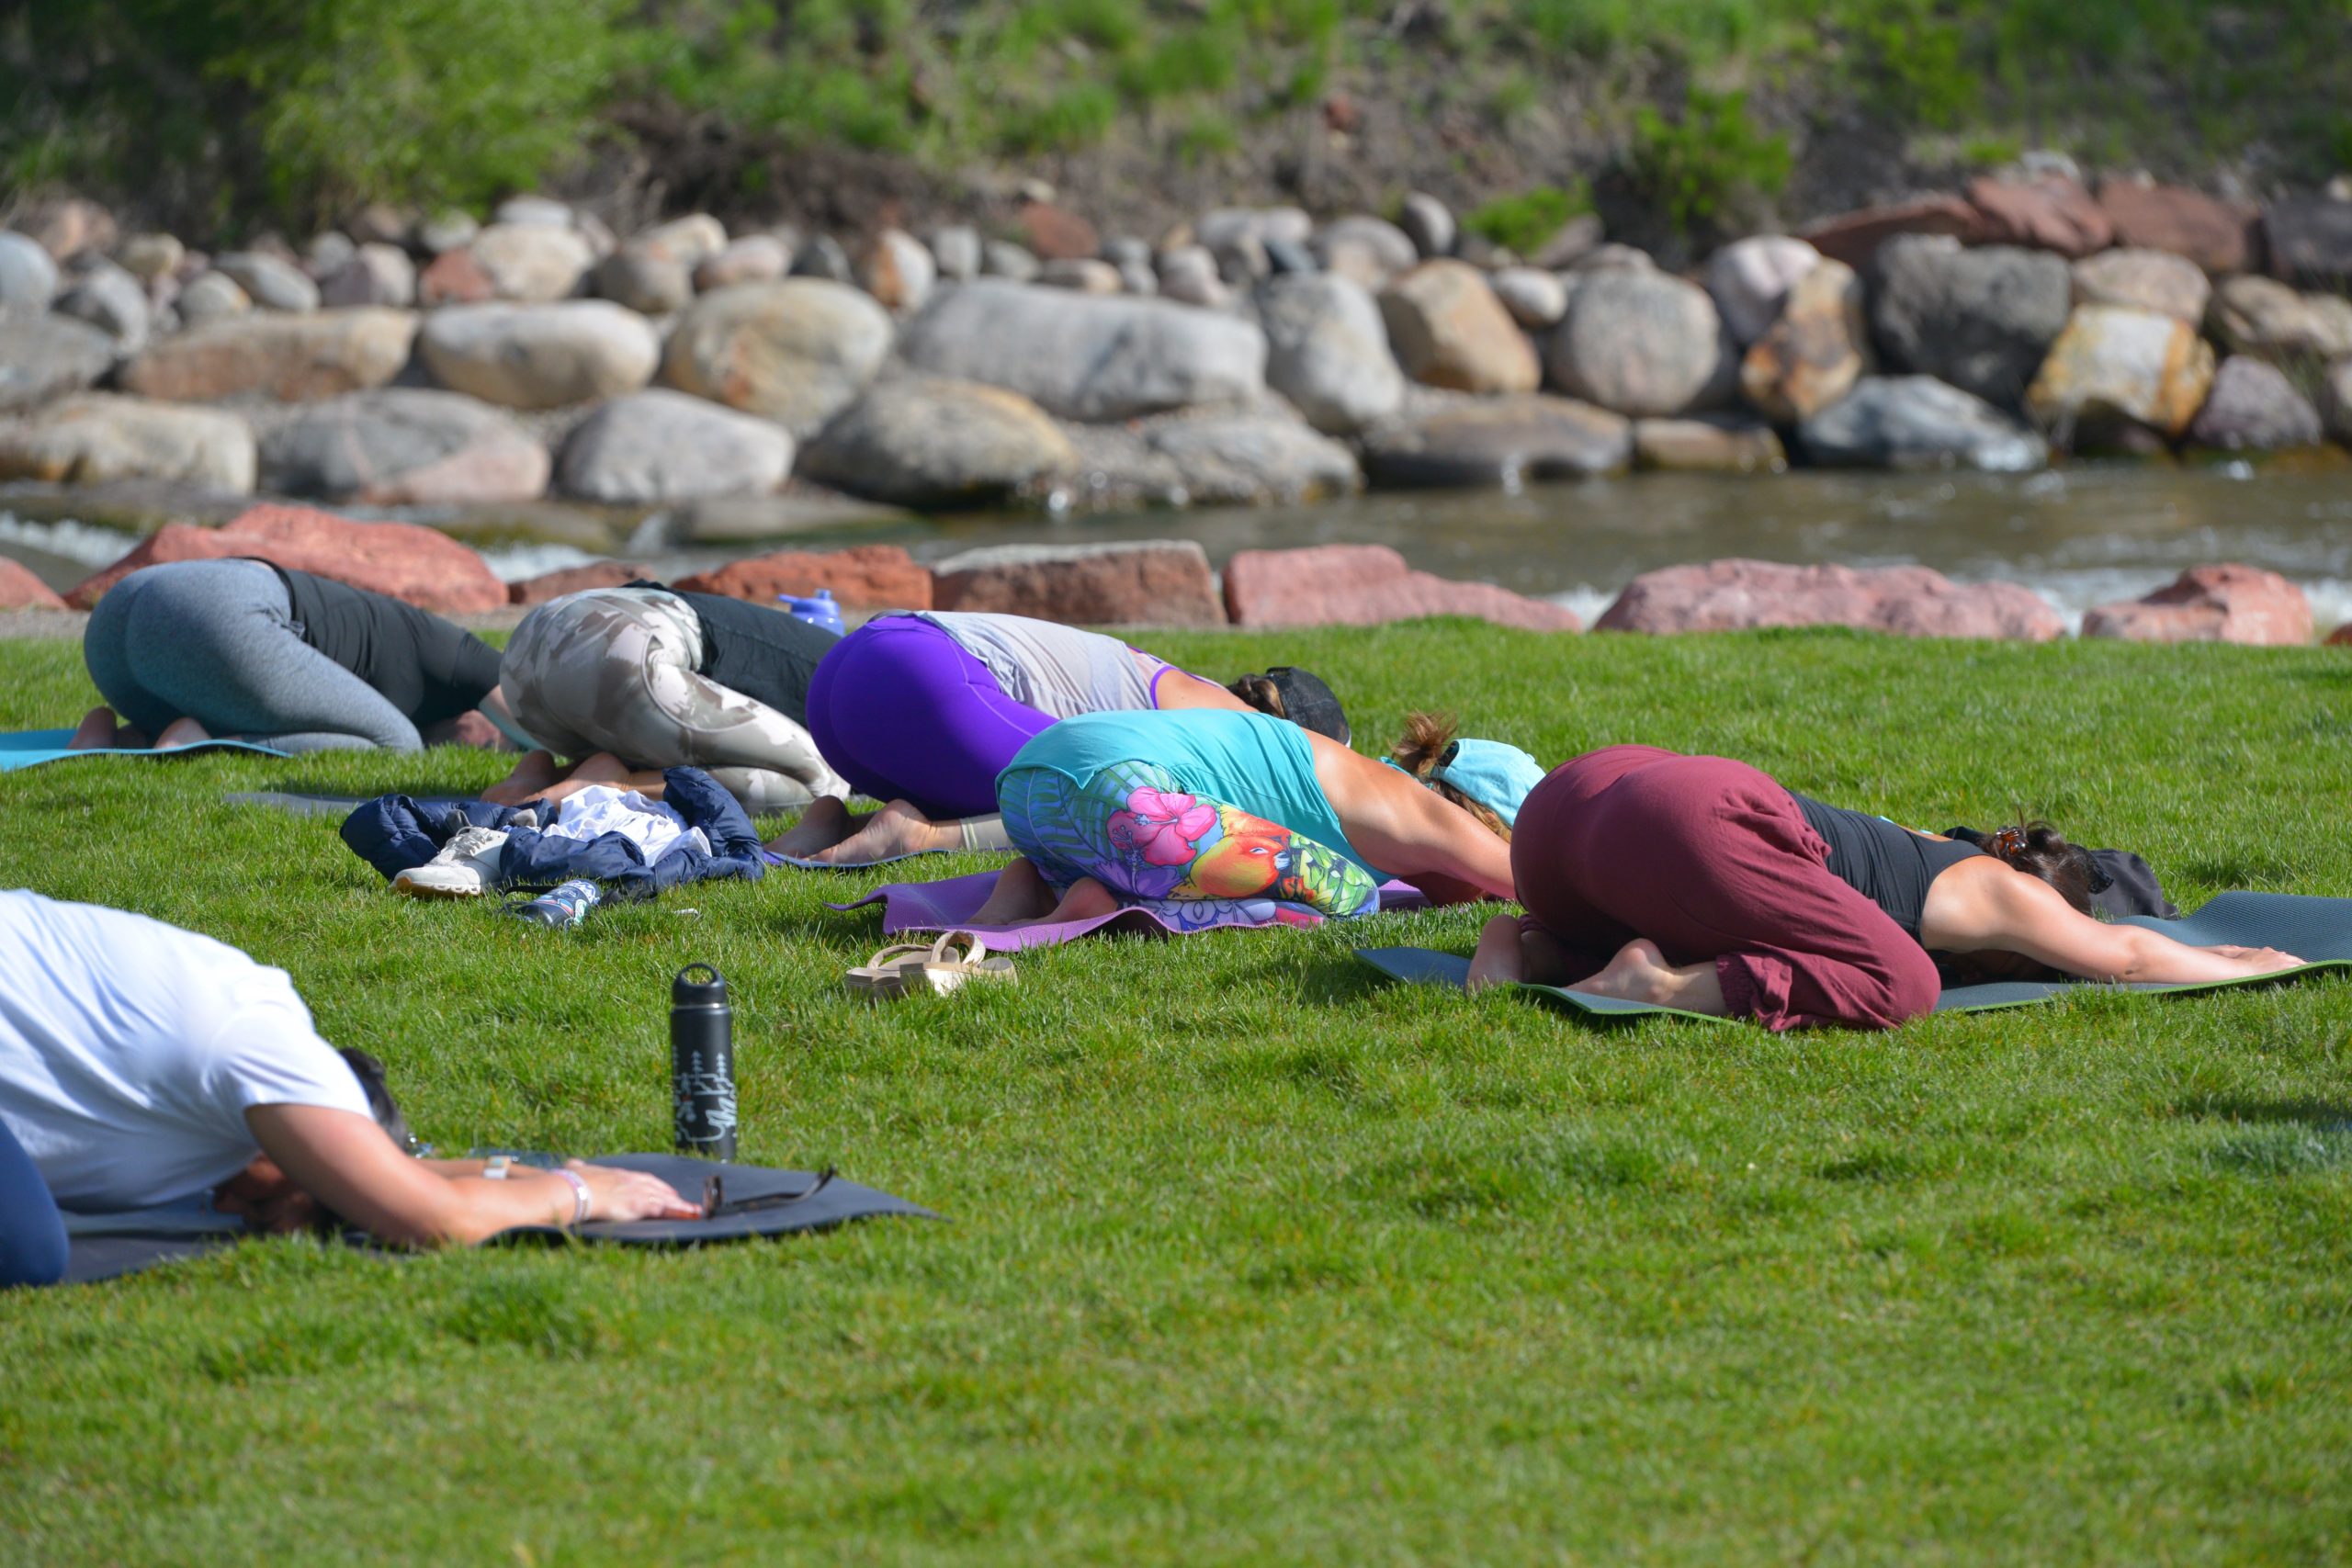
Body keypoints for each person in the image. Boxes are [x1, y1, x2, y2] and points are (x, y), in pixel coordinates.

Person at [0, 889, 700, 1288]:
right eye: (265, 1197)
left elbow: (388, 1176)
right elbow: (435, 1220)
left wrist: (529, 1167)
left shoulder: (252, 1066)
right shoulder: (267, 1054)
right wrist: (584, 1195)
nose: (226, 1203)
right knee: (26, 1249)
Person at [1470, 745, 2304, 1031]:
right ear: (2051, 899)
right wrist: (2254, 962)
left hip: (1564, 821)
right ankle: (1660, 985)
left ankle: (1525, 944)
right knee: (1908, 982)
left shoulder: (1926, 846)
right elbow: (2123, 959)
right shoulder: (2000, 892)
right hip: (1688, 818)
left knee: (1698, 909)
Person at [773, 609, 1353, 863]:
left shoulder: (1183, 685)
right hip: (924, 676)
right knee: (1119, 812)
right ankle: (917, 836)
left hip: (850, 678)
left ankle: (833, 822)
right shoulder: (1232, 723)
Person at [966, 709, 1540, 931]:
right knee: (1349, 893)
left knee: (1267, 862)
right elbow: (1531, 883)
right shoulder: (1414, 805)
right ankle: (1104, 910)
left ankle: (1040, 885)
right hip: (1127, 802)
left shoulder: (1358, 773)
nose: (1485, 901)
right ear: (1477, 822)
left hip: (1029, 791)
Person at [71, 559, 523, 754]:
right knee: (397, 744)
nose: (491, 742)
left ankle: (122, 738)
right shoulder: (462, 652)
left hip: (118, 622)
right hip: (218, 613)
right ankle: (200, 741)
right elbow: (540, 723)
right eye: (495, 741)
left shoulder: (410, 694)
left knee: (395, 735)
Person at [486, 581, 847, 814]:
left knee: (693, 746)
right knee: (826, 788)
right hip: (623, 650)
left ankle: (542, 776)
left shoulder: (838, 651)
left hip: (529, 652)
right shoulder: (864, 689)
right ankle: (609, 787)